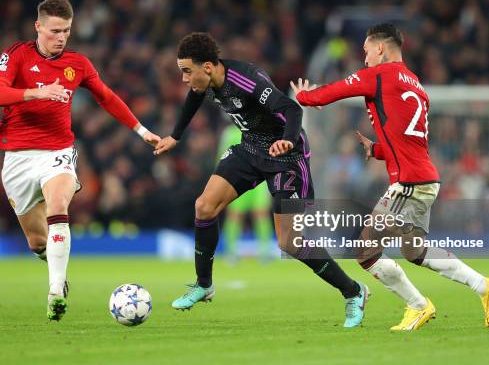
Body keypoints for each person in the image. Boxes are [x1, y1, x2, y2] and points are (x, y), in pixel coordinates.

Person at [294, 23, 489, 330]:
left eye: (366, 51)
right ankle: (484, 286)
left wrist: (304, 96)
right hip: (425, 178)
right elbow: (410, 140)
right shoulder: (416, 84)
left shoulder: (378, 75)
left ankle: (418, 305)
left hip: (408, 183)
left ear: (380, 48)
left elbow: (329, 94)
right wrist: (379, 150)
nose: (364, 59)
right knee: (415, 250)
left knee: (365, 250)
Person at [154, 32, 369, 327]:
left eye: (186, 71)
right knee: (204, 206)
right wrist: (175, 136)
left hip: (286, 158)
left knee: (290, 242)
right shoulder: (207, 82)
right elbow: (193, 98)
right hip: (251, 148)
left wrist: (288, 142)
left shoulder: (247, 79)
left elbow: (291, 109)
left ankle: (353, 291)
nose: (183, 79)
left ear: (207, 67)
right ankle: (204, 285)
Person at [0, 0, 160, 321]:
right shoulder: (16, 55)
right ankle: (52, 264)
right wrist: (37, 92)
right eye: (54, 31)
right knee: (38, 243)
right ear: (38, 27)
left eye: (66, 30)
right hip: (18, 158)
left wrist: (140, 130)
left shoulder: (77, 63)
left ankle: (55, 291)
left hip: (58, 152)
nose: (61, 37)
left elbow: (106, 97)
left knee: (58, 205)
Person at [216, 124, 272, 263]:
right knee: (235, 215)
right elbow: (222, 157)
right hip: (236, 179)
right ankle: (231, 252)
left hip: (260, 179)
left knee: (261, 213)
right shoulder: (229, 133)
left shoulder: (261, 129)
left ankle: (265, 251)